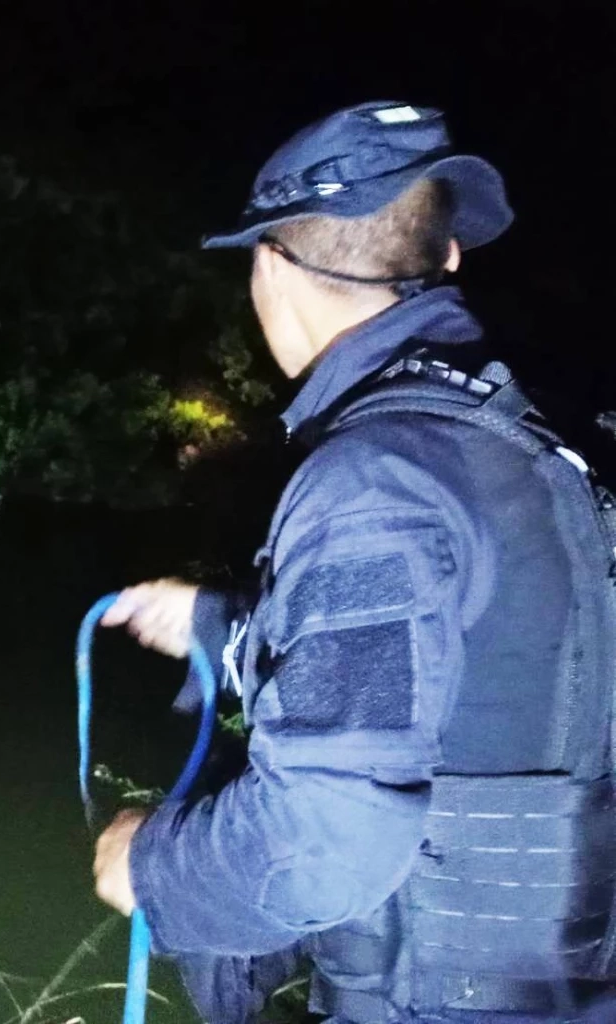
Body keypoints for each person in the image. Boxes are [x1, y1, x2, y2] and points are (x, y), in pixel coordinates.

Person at [92, 101, 616, 1022]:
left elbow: (324, 844)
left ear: (269, 265)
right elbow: (485, 659)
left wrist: (150, 861)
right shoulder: (526, 441)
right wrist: (220, 624)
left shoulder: (376, 480)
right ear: (447, 256)